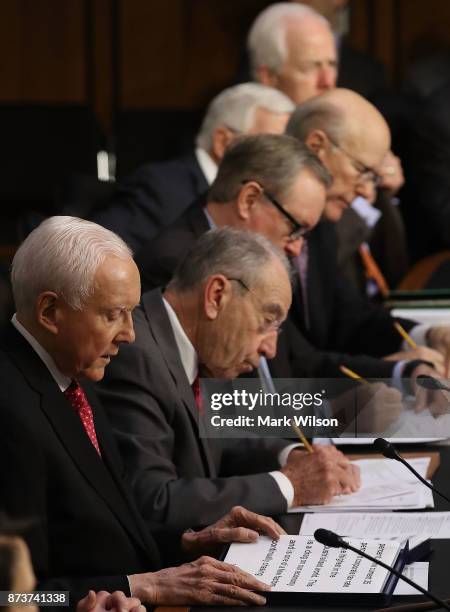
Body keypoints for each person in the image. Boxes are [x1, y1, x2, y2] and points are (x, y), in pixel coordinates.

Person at [0, 215, 292, 608]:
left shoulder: (75, 371)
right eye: (112, 314)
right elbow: (14, 594)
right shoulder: (10, 413)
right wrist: (140, 585)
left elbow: (111, 522)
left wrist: (185, 541)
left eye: (131, 313)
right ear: (51, 312)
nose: (130, 334)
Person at [135, 105, 447, 382]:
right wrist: (346, 414)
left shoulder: (248, 262)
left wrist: (403, 374)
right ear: (249, 200)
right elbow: (216, 413)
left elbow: (300, 363)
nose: (298, 248)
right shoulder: (178, 266)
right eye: (295, 228)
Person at [99, 225, 360, 531]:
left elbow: (218, 439)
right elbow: (153, 499)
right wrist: (290, 485)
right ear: (217, 296)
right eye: (267, 322)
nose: (270, 349)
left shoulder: (205, 346)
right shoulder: (135, 354)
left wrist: (291, 456)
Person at [247, 2, 408, 296]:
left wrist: (381, 193)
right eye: (311, 66)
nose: (328, 81)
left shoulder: (352, 137)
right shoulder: (255, 148)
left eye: (331, 64)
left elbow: (395, 269)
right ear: (268, 77)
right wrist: (358, 201)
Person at [91, 83, 294, 251]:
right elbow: (96, 251)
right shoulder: (160, 188)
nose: (283, 162)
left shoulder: (256, 199)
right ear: (223, 142)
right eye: (271, 146)